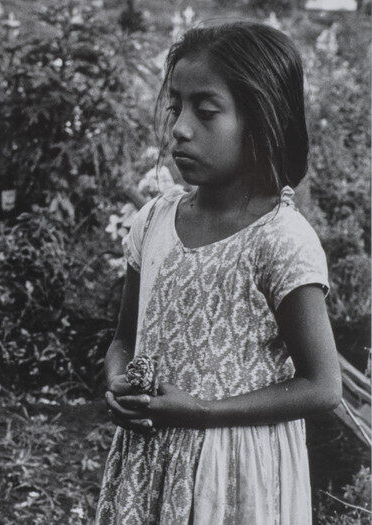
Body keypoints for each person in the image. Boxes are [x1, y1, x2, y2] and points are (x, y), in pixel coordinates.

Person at [96, 22, 341, 524]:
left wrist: (204, 413)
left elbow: (322, 385)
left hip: (234, 478)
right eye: (175, 107)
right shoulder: (155, 222)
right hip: (150, 457)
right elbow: (125, 340)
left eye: (206, 112)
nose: (180, 128)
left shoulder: (280, 241)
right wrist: (120, 384)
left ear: (261, 121)